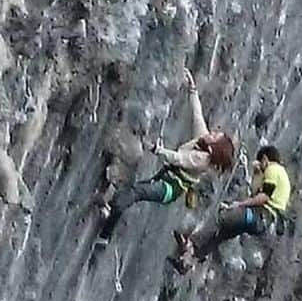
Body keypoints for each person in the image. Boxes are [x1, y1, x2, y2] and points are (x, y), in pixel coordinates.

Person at [97, 68, 235, 242]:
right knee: (131, 191)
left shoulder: (203, 159)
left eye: (216, 137)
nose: (213, 133)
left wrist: (157, 150)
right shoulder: (203, 140)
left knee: (135, 192)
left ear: (214, 148)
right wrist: (192, 89)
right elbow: (197, 115)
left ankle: (105, 235)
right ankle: (109, 211)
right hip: (166, 179)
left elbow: (179, 159)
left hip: (169, 187)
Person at [171, 144, 291, 271]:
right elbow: (257, 192)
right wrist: (257, 174)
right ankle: (189, 261)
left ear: (265, 159)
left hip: (259, 215)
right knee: (221, 234)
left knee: (222, 217)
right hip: (262, 223)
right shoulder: (282, 176)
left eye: (261, 162)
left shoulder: (273, 169)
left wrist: (240, 204)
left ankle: (190, 243)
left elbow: (264, 196)